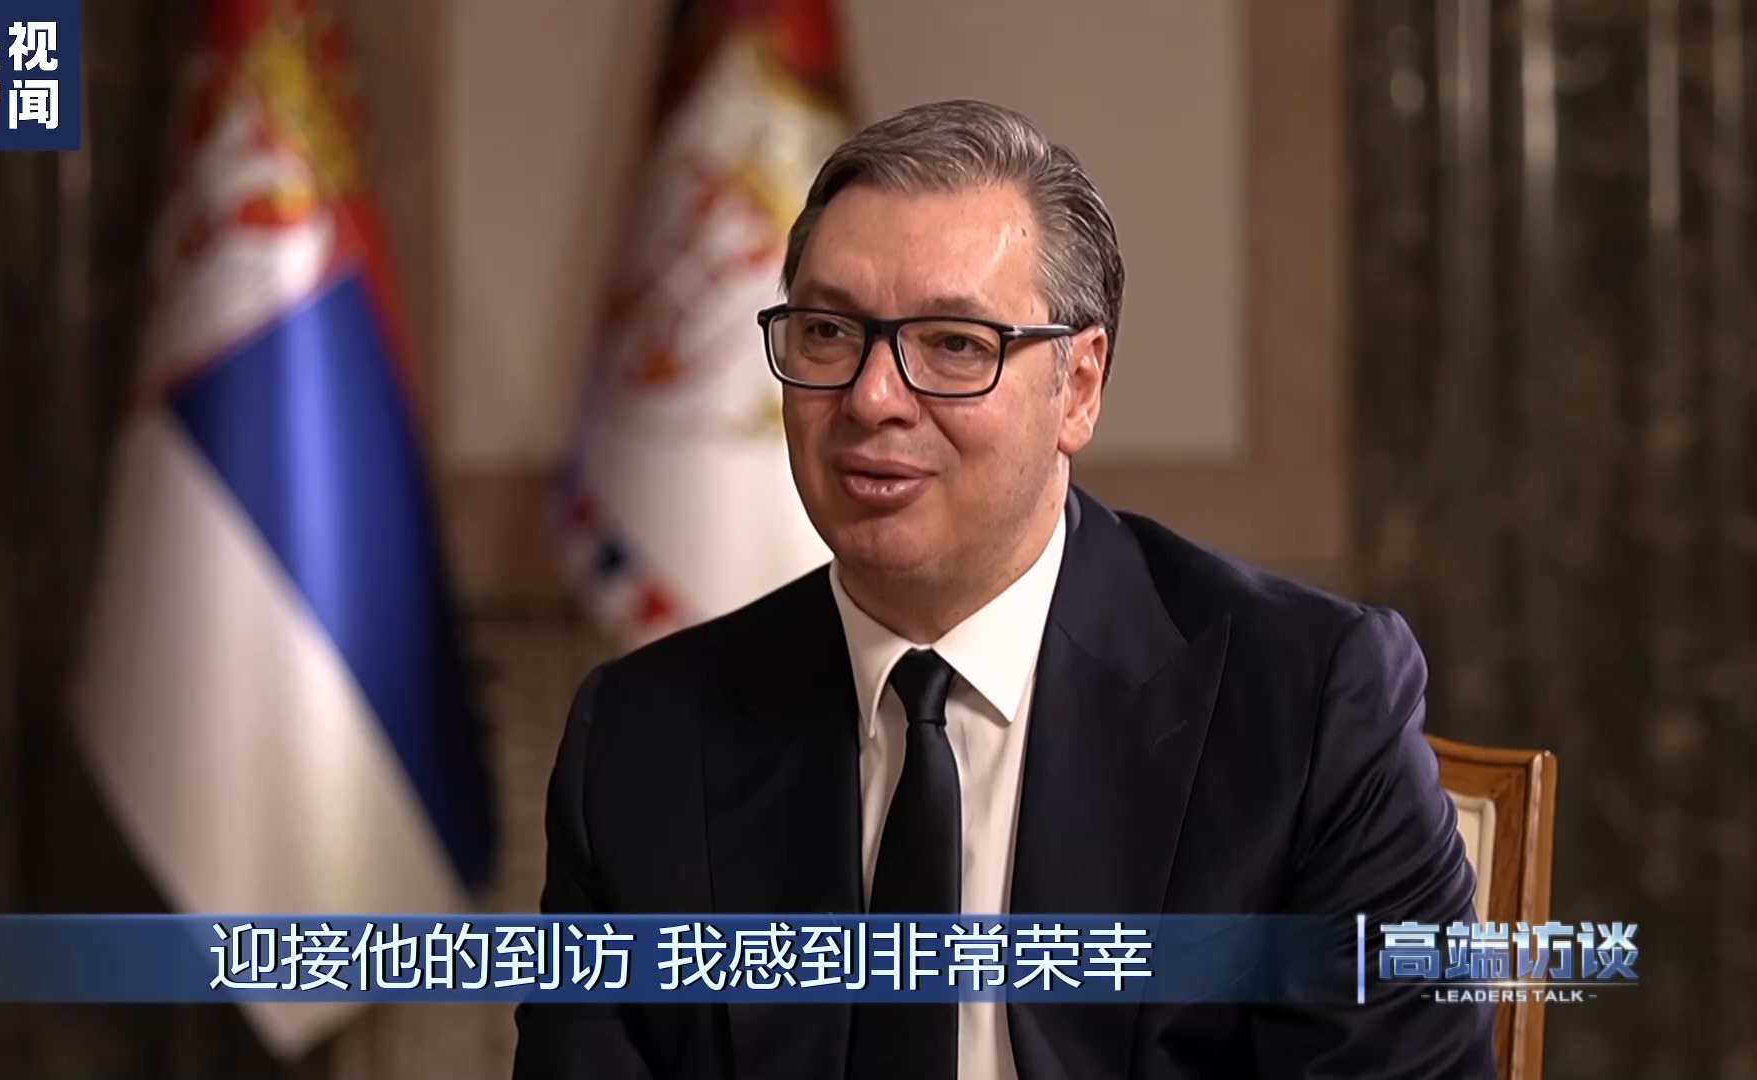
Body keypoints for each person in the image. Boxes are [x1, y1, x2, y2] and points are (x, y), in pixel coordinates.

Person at [514, 99, 1493, 1080]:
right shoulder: (642, 740)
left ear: (1079, 387)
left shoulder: (1304, 708)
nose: (872, 397)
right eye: (828, 331)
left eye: (953, 344)